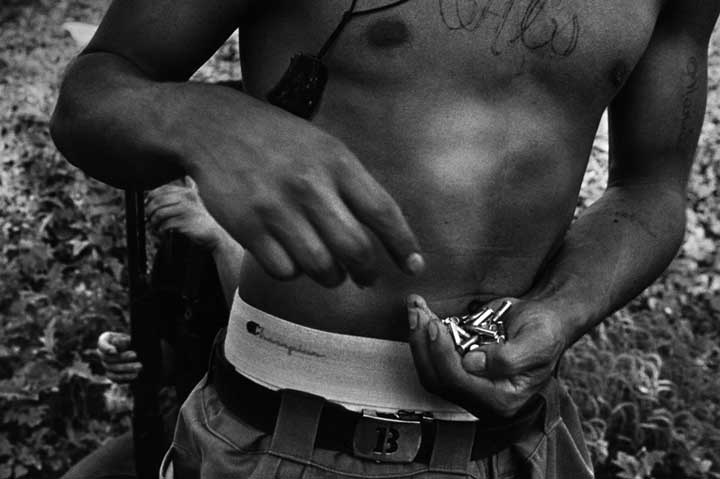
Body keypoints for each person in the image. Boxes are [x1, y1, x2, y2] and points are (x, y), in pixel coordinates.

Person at [49, 1, 720, 477]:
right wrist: (203, 121)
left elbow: (652, 190)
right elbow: (91, 95)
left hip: (524, 447)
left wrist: (562, 311)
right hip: (277, 435)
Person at [60, 181, 242, 479]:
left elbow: (265, 335)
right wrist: (131, 353)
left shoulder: (269, 222)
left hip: (252, 435)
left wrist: (220, 240)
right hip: (187, 422)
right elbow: (171, 354)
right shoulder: (182, 240)